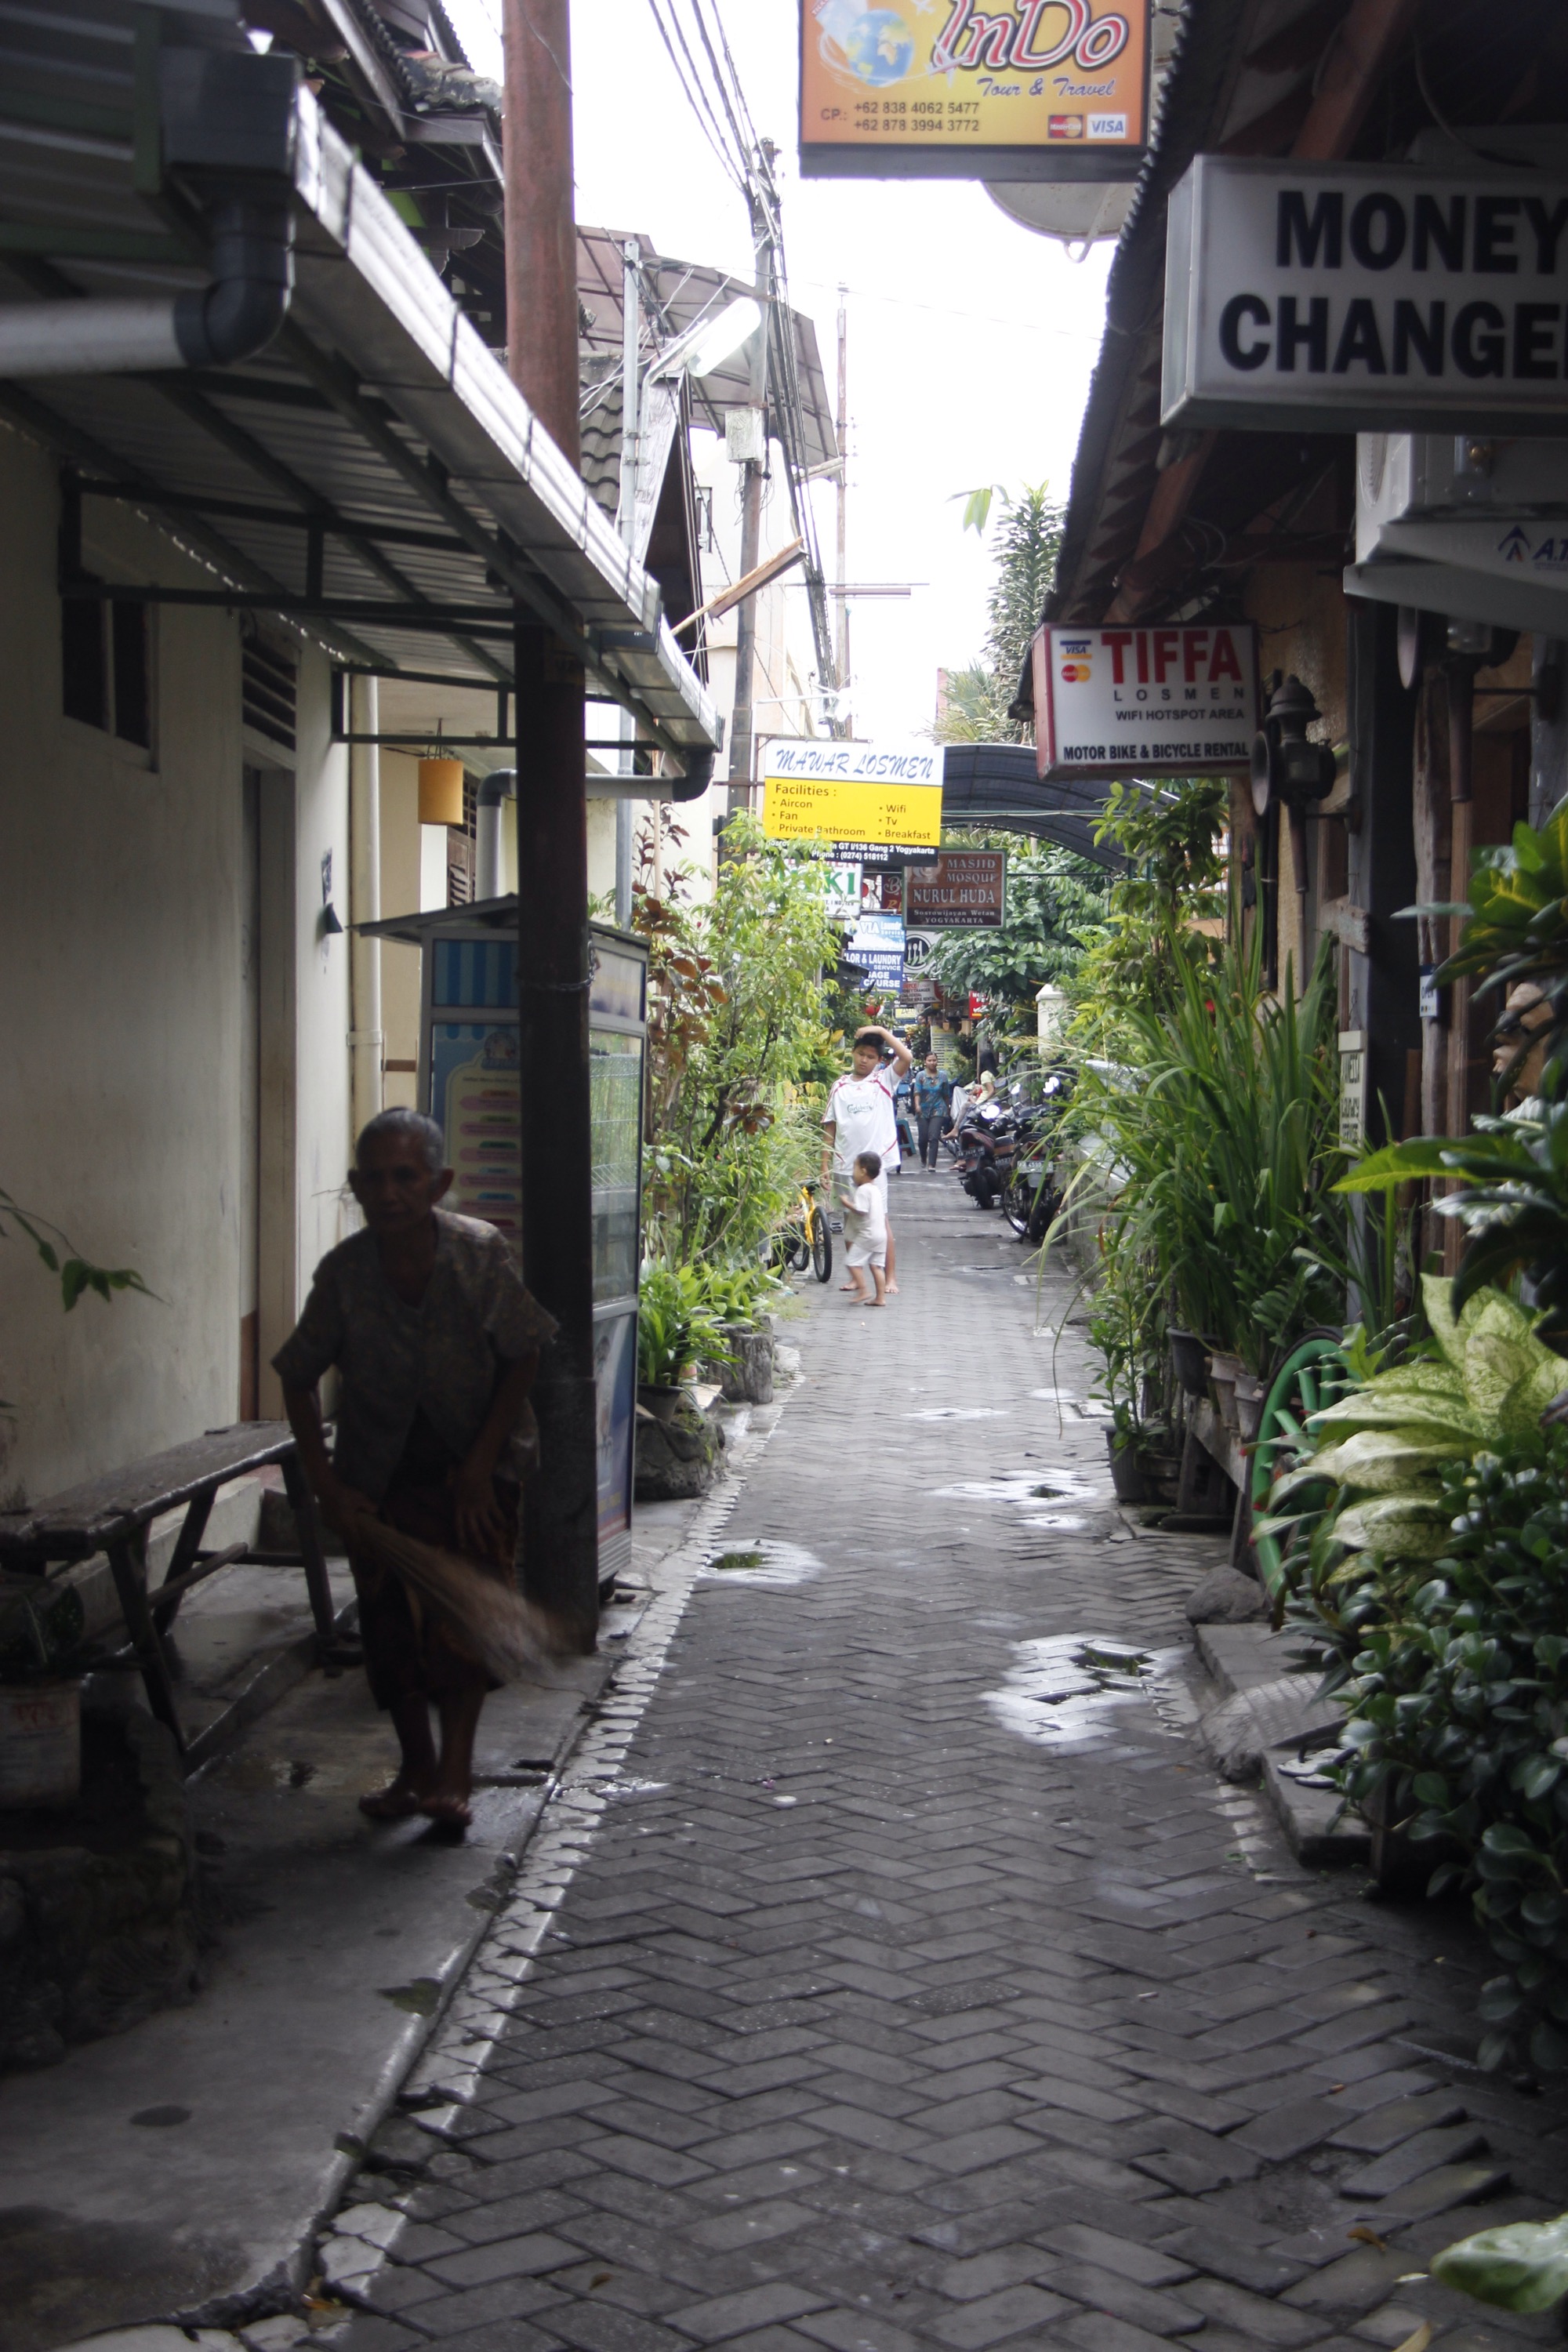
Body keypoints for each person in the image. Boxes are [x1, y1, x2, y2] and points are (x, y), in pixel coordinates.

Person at [274, 1108, 556, 1834]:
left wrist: (480, 1467)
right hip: (379, 1477)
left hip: (476, 1471)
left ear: (438, 1183)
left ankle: (455, 1774)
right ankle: (416, 1769)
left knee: (464, 1624)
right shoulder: (344, 1275)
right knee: (389, 1627)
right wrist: (328, 1487)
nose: (388, 1193)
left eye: (405, 1176)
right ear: (355, 1186)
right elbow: (296, 1375)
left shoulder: (478, 1254)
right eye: (372, 1179)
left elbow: (523, 1353)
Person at [822, 1022, 912, 1294]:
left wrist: (881, 1031)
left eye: (871, 1057)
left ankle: (890, 1277)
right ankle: (856, 1277)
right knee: (851, 1222)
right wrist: (824, 1165)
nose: (864, 1060)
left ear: (879, 1060)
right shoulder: (839, 1086)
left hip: (874, 1168)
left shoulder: (883, 1080)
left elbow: (906, 1057)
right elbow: (830, 1127)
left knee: (880, 1222)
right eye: (861, 1054)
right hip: (844, 1164)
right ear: (853, 1053)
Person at [841, 1149, 888, 1306]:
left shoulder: (863, 1190)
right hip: (881, 1235)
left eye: (854, 1168)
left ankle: (863, 1291)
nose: (852, 1173)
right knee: (876, 1266)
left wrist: (846, 1202)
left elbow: (861, 1210)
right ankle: (880, 1298)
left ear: (863, 1171)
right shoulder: (875, 1190)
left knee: (852, 1262)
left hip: (868, 1235)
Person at [911, 1053, 953, 1170]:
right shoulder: (920, 1076)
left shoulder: (943, 1076)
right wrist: (917, 1105)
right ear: (925, 1062)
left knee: (934, 1136)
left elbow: (946, 1094)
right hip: (923, 1109)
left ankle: (931, 1164)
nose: (932, 1063)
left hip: (938, 1108)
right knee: (923, 1138)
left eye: (934, 1060)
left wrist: (947, 1109)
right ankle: (923, 1158)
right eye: (929, 1060)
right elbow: (917, 1093)